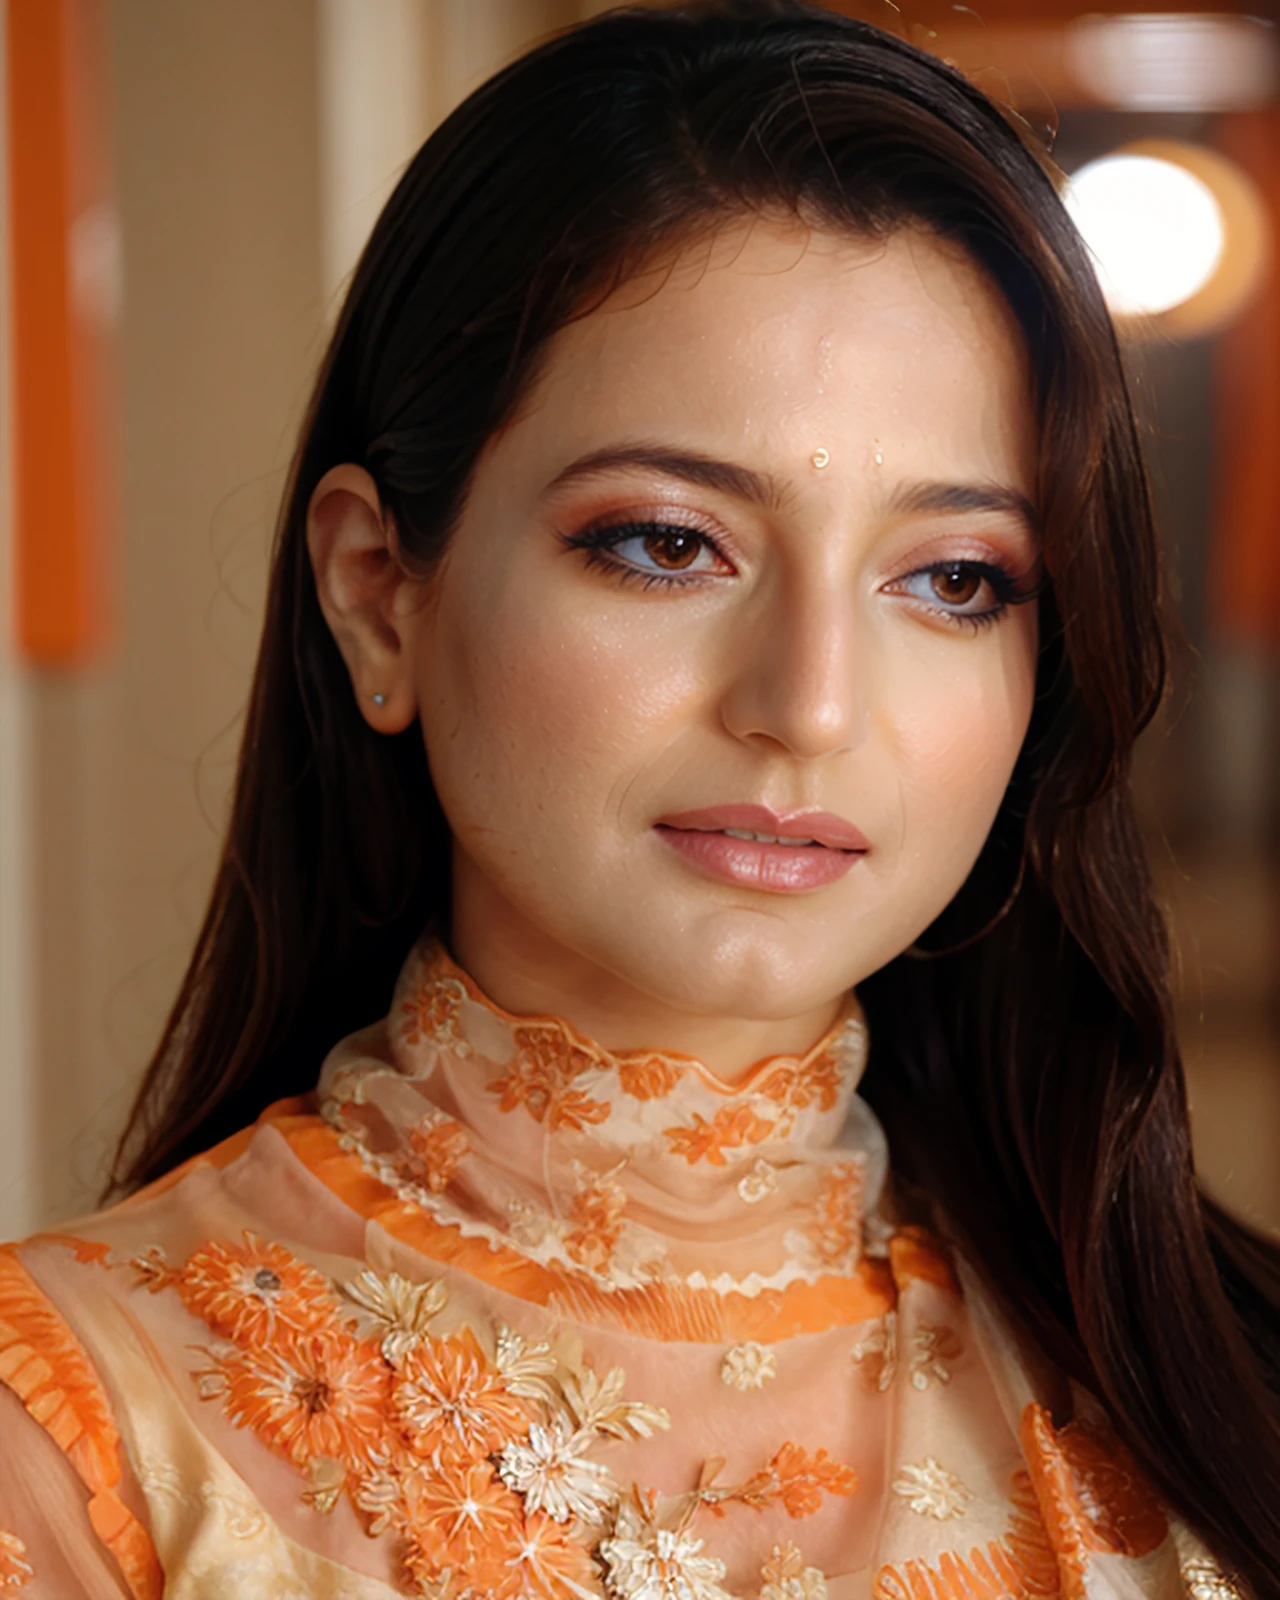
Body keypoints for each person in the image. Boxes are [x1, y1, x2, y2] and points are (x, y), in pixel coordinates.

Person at [2, 2, 1276, 1595]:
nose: (809, 705)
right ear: (380, 594)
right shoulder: (75, 1437)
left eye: (952, 577)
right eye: (670, 543)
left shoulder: (1228, 1401)